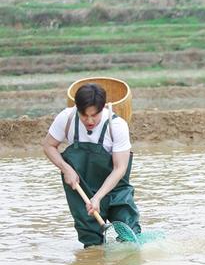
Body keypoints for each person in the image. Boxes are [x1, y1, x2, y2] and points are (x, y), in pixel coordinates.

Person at [42, 83, 141, 247]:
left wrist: (97, 197)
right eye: (84, 115)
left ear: (103, 108)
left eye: (94, 115)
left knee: (129, 236)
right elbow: (48, 146)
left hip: (115, 188)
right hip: (81, 188)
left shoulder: (116, 126)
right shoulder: (66, 118)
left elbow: (120, 168)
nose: (89, 121)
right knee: (91, 243)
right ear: (77, 108)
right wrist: (66, 168)